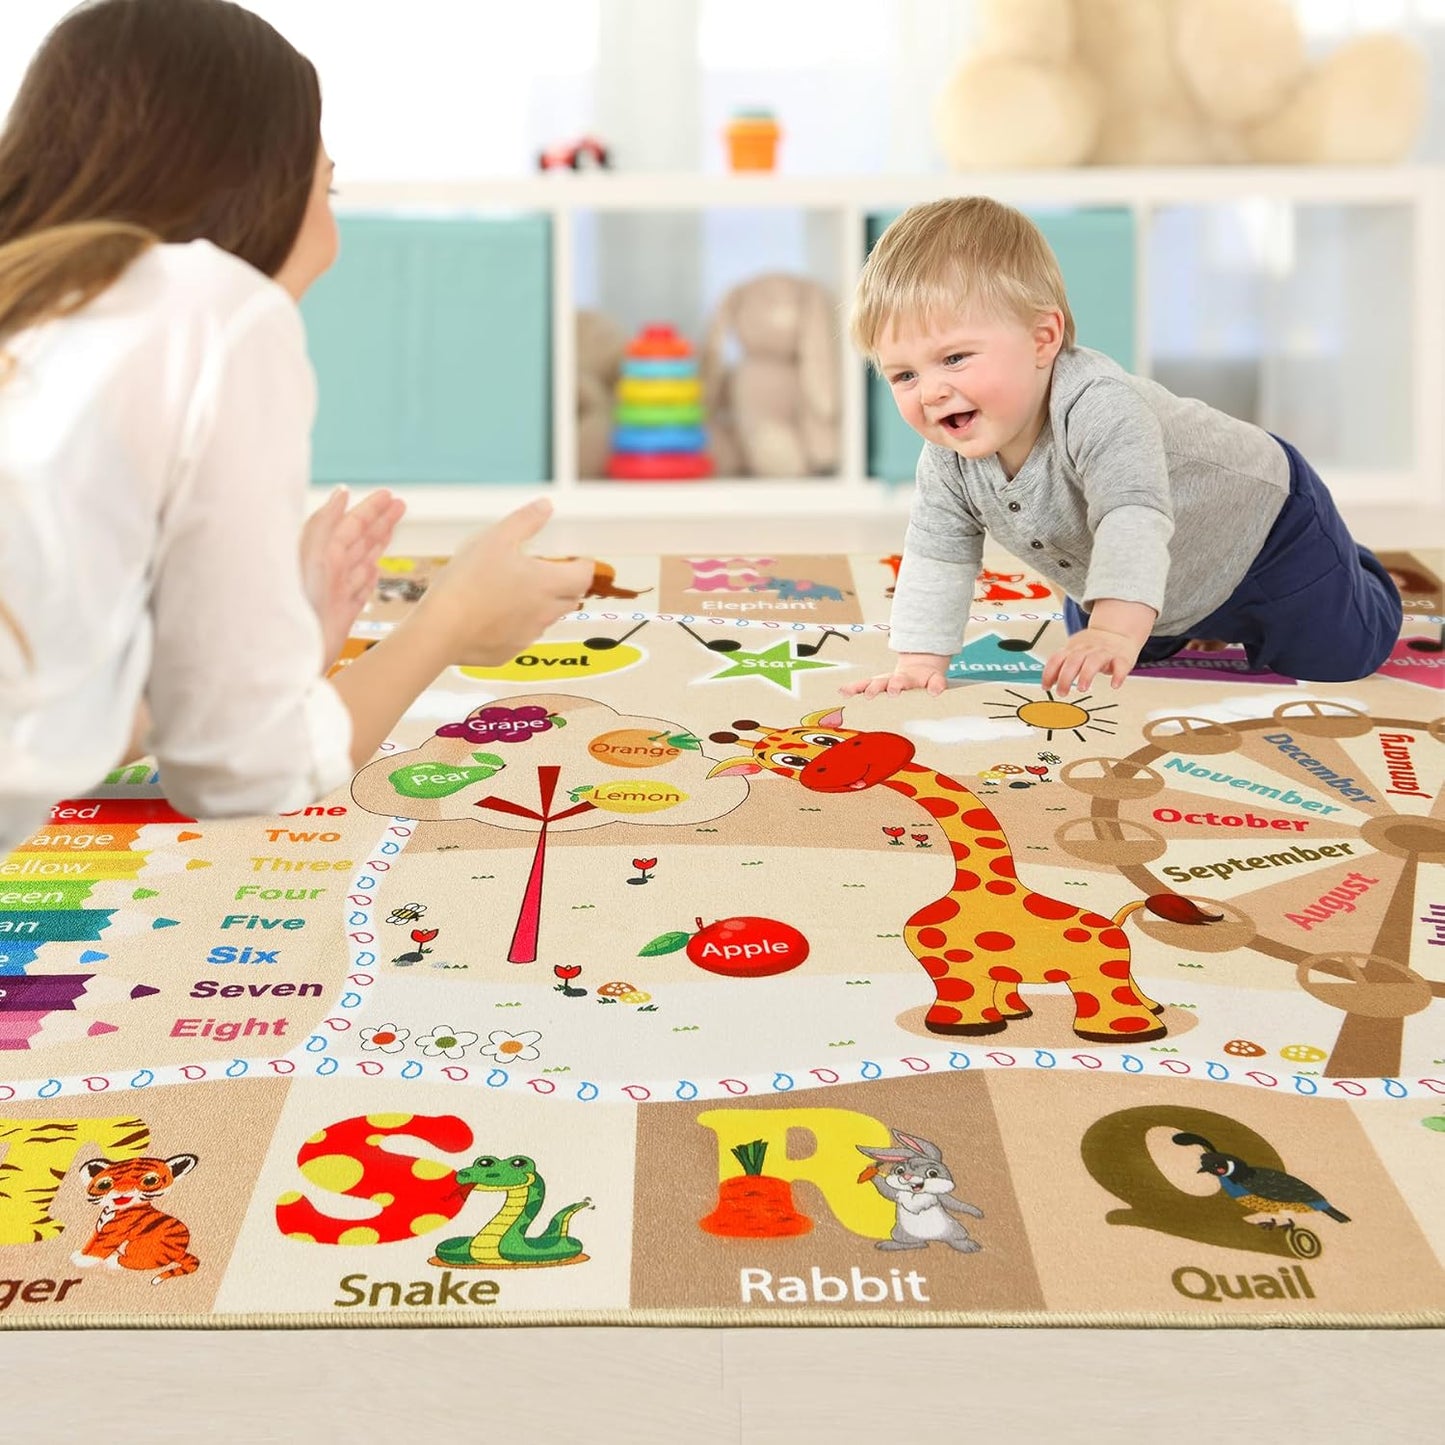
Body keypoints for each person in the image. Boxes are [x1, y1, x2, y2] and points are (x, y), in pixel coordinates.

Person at [0, 0, 592, 854]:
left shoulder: (41, 311)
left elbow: (37, 716)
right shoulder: (210, 306)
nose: (332, 232)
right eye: (327, 186)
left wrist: (271, 657)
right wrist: (449, 624)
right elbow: (238, 772)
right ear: (248, 185)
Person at [839, 196, 1402, 701]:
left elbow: (1130, 515)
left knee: (1342, 656)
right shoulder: (948, 458)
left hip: (1266, 533)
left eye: (955, 358)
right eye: (904, 375)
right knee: (1101, 657)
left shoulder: (1098, 405)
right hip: (1151, 574)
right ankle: (1146, 617)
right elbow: (939, 554)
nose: (931, 391)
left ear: (1043, 340)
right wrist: (919, 659)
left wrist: (1113, 626)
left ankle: (1356, 567)